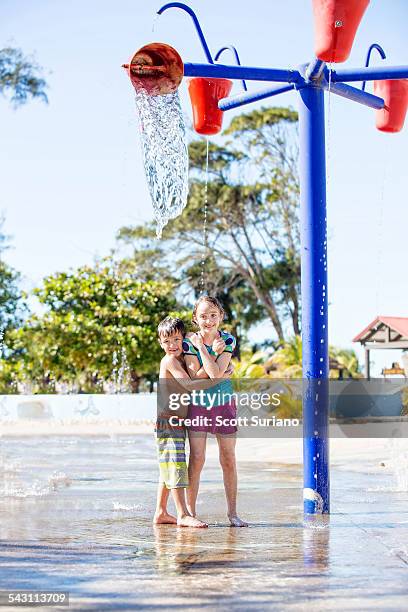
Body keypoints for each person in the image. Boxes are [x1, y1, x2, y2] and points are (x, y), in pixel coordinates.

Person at [183, 296, 248, 527]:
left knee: (228, 458)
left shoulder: (228, 339)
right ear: (195, 319)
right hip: (198, 405)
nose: (208, 320)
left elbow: (214, 375)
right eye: (203, 316)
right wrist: (204, 349)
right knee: (197, 458)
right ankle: (190, 513)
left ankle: (233, 513)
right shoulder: (188, 343)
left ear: (220, 316)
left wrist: (213, 367)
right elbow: (197, 377)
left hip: (224, 404)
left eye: (213, 315)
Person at [154, 316, 207, 528]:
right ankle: (182, 514)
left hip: (175, 423)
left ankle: (160, 512)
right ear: (160, 343)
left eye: (176, 340)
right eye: (166, 342)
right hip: (168, 422)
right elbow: (190, 385)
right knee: (176, 467)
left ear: (183, 339)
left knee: (168, 468)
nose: (172, 345)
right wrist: (220, 377)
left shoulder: (181, 359)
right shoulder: (169, 361)